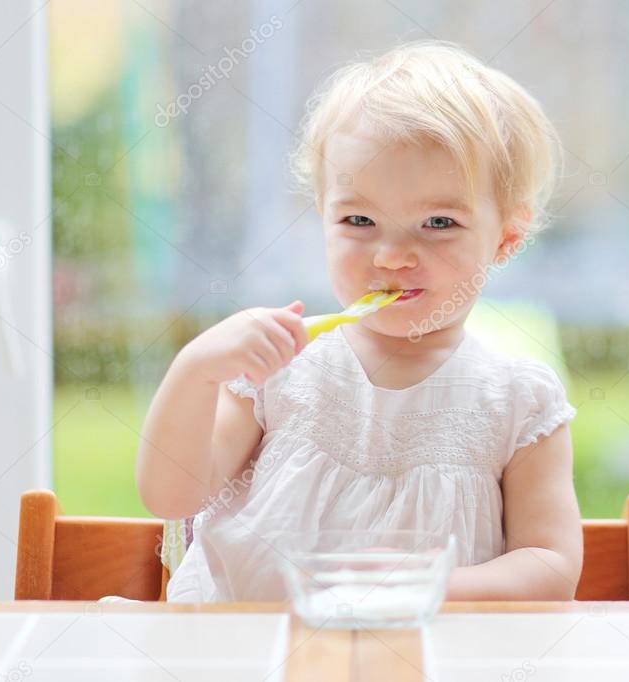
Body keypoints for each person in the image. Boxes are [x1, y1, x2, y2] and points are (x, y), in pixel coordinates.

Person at [136, 39, 583, 602]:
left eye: (439, 221)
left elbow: (551, 568)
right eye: (359, 219)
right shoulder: (277, 369)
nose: (392, 255)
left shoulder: (518, 402)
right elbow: (171, 496)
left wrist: (429, 587)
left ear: (506, 239)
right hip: (248, 654)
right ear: (322, 217)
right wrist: (195, 369)